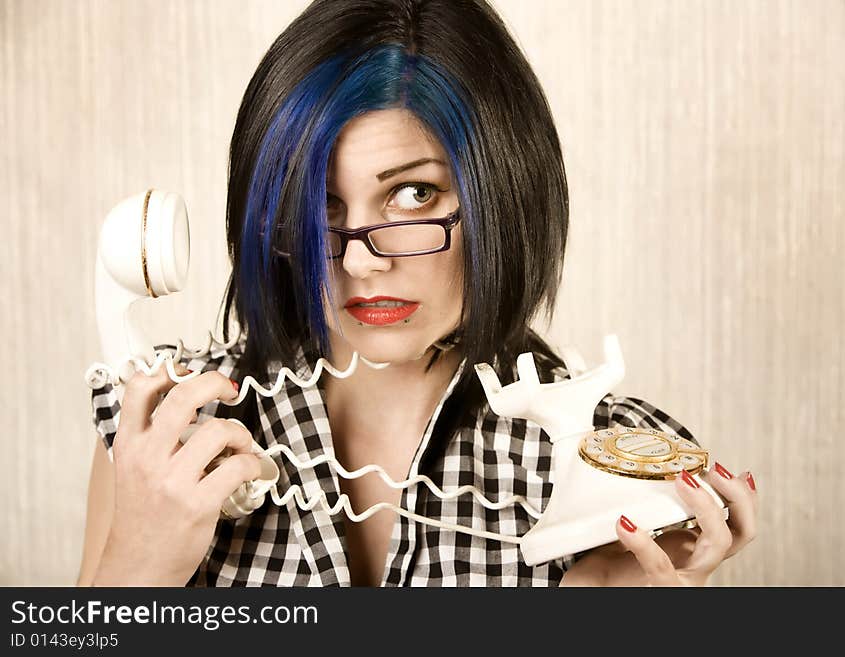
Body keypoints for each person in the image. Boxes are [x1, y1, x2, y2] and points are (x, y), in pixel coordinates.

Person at [79, 0, 757, 587]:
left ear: (503, 195)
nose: (363, 261)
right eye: (320, 204)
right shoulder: (163, 430)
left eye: (413, 194)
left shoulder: (616, 468)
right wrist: (135, 566)